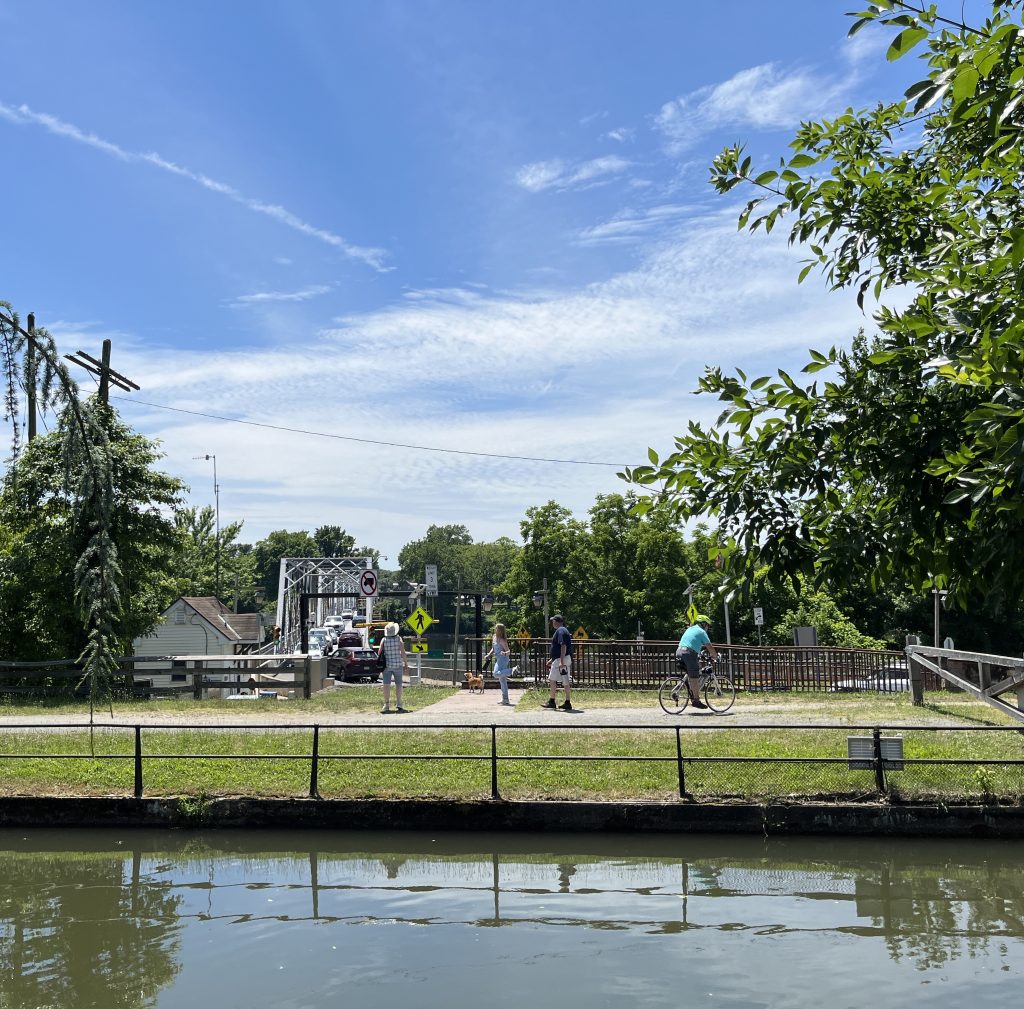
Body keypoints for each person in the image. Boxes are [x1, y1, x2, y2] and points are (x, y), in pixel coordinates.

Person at [676, 614, 719, 710]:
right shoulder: (702, 632)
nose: (708, 627)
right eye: (707, 625)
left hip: (679, 651)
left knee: (694, 670)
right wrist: (715, 656)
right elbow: (709, 647)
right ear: (703, 624)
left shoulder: (690, 628)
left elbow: (691, 643)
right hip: (688, 653)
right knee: (694, 677)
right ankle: (696, 700)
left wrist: (700, 654)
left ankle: (685, 688)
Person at [541, 614, 573, 711]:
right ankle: (567, 702)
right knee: (565, 681)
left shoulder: (560, 631)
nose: (552, 623)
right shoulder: (563, 630)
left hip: (561, 659)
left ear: (557, 621)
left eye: (553, 621)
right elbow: (559, 648)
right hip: (561, 659)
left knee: (552, 680)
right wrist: (552, 660)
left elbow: (563, 646)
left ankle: (552, 701)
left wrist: (561, 661)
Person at [378, 621, 411, 714]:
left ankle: (386, 704)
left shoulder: (383, 640)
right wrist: (406, 664)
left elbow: (379, 652)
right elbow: (403, 652)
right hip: (398, 665)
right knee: (399, 684)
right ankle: (399, 703)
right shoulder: (398, 639)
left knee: (386, 685)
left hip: (387, 666)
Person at [485, 623, 515, 706]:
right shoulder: (494, 637)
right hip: (498, 658)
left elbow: (508, 651)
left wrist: (504, 653)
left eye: (497, 628)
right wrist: (489, 654)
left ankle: (512, 670)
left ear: (500, 630)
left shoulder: (502, 640)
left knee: (495, 673)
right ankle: (505, 699)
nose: (495, 629)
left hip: (503, 658)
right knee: (502, 680)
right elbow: (493, 648)